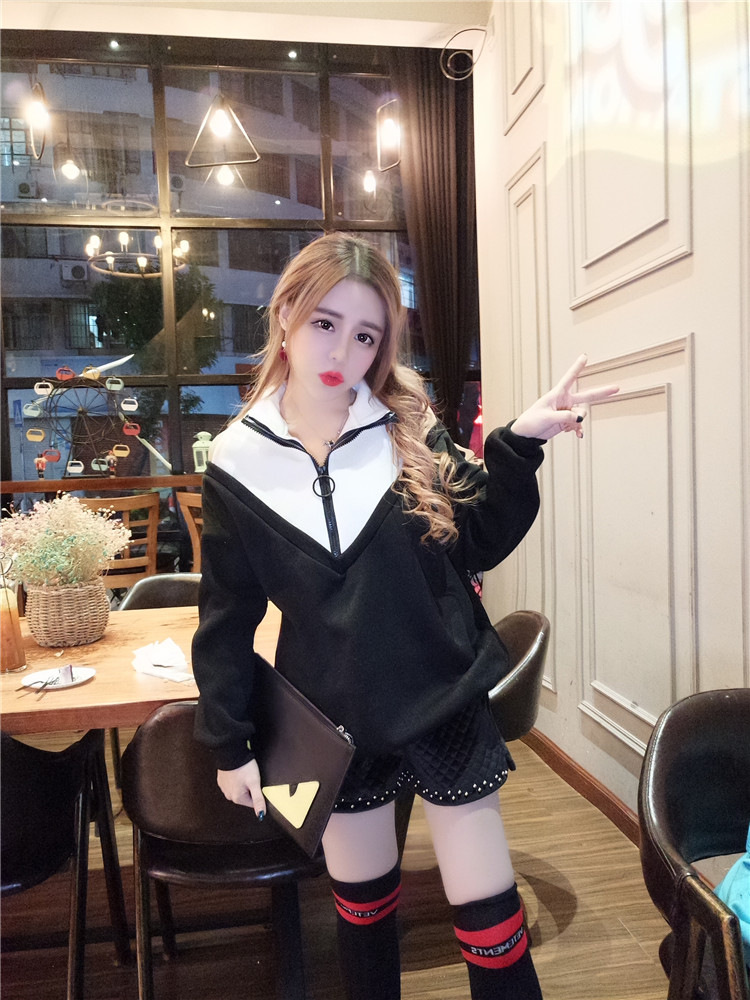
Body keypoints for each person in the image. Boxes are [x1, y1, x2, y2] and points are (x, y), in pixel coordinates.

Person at [192, 233, 619, 1000]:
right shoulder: (235, 462)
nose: (342, 352)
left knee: (490, 921)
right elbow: (228, 614)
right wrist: (229, 744)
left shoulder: (406, 424)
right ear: (285, 314)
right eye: (324, 323)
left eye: (366, 335)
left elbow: (477, 538)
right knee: (361, 917)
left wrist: (520, 444)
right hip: (331, 717)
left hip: (441, 697)